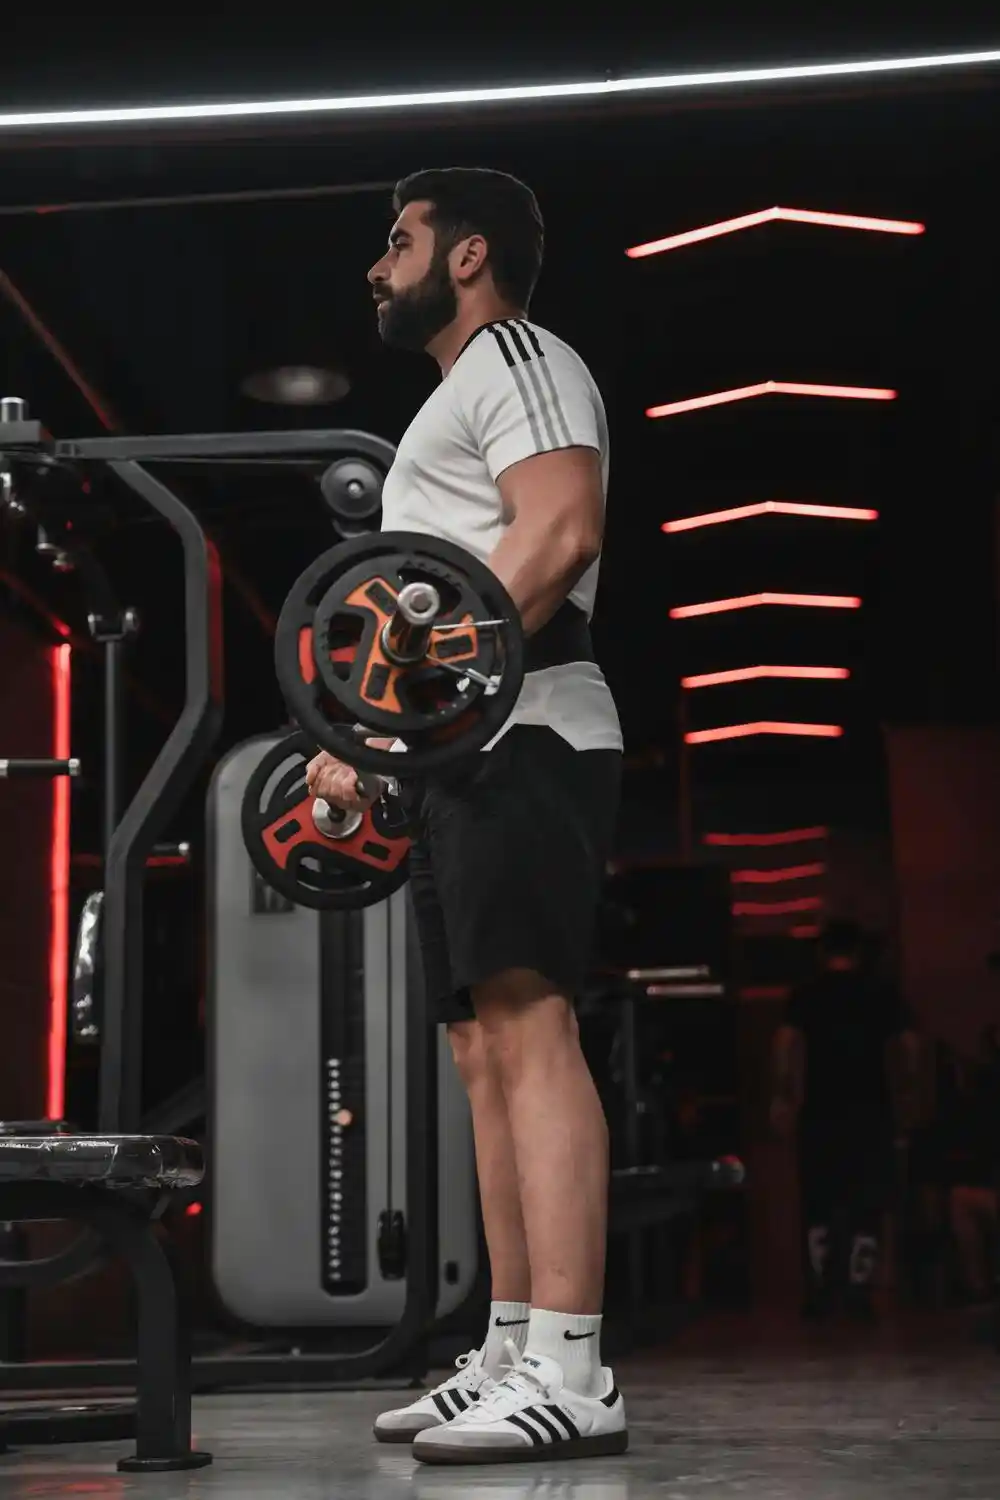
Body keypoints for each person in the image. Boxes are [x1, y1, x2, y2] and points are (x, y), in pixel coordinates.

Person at [306, 168, 626, 1465]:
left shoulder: (517, 355)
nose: (378, 270)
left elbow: (557, 533)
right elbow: (419, 619)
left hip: (533, 728)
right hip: (459, 748)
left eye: (399, 243)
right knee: (481, 1049)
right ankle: (509, 1343)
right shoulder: (452, 398)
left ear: (470, 251)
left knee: (531, 1026)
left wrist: (409, 705)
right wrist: (374, 738)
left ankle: (573, 1363)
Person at [770, 921, 920, 1320]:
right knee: (867, 1204)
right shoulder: (882, 993)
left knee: (818, 1202)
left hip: (820, 1112)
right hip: (872, 1111)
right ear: (858, 951)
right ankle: (858, 1288)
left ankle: (821, 1288)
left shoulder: (806, 995)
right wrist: (907, 1092)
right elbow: (909, 1046)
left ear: (823, 952)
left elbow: (785, 1045)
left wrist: (785, 1094)